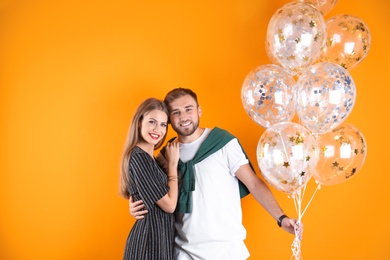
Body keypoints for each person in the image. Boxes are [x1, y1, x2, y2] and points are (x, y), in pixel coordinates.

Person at [129, 88, 298, 259]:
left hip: (227, 251)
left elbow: (253, 183)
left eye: (189, 109)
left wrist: (281, 218)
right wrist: (137, 207)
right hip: (183, 253)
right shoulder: (166, 154)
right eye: (176, 112)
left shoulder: (224, 143)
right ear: (170, 120)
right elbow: (157, 194)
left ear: (198, 110)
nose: (184, 117)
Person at [119, 97, 180, 260]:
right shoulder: (139, 157)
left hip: (159, 243)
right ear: (139, 122)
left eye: (162, 125)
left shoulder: (150, 158)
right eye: (152, 122)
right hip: (148, 246)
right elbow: (169, 206)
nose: (157, 130)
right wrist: (173, 165)